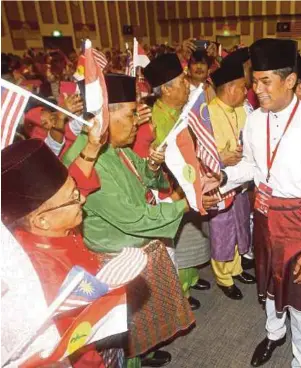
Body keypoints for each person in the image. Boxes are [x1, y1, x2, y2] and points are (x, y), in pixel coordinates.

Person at [206, 38, 301, 368]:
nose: (257, 89)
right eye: (255, 80)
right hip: (266, 219)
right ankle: (274, 332)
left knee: (299, 302)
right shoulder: (254, 120)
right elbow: (253, 167)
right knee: (268, 286)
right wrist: (223, 178)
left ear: (291, 81)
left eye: (265, 81)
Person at [62, 74, 195, 363]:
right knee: (120, 332)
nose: (138, 121)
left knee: (137, 325)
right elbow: (134, 218)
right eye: (132, 113)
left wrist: (151, 165)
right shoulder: (85, 161)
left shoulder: (113, 148)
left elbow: (143, 179)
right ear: (105, 116)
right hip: (114, 261)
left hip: (133, 250)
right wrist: (186, 206)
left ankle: (141, 354)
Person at [1, 128, 114, 367]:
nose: (82, 199)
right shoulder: (49, 280)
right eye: (75, 197)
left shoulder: (45, 222)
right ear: (42, 220)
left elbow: (73, 185)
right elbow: (76, 345)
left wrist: (92, 146)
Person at [143, 53, 212, 309]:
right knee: (176, 242)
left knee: (191, 236)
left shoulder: (182, 111)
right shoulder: (154, 120)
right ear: (167, 89)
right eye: (182, 81)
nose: (188, 84)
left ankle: (191, 279)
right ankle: (180, 293)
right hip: (170, 191)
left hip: (188, 183)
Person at [207, 60, 256, 300]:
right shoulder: (207, 113)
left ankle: (236, 269)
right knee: (222, 231)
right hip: (221, 182)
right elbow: (198, 155)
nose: (246, 92)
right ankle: (223, 277)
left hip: (241, 182)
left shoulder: (242, 109)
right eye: (242, 87)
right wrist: (221, 157)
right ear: (229, 88)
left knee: (239, 226)